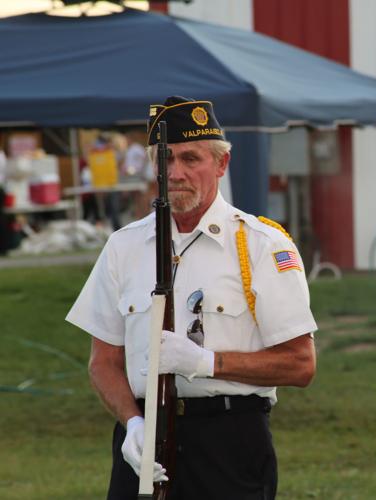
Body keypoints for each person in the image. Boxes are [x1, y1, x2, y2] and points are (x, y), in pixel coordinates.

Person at [66, 96, 317, 500]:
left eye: (190, 158)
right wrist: (131, 422)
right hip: (144, 441)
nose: (176, 173)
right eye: (163, 160)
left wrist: (206, 362)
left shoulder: (260, 246)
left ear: (221, 164)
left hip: (229, 441)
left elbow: (300, 364)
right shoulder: (124, 247)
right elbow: (104, 362)